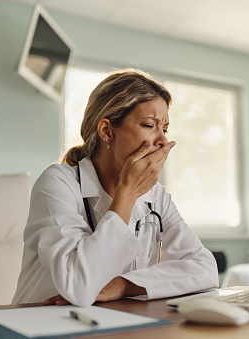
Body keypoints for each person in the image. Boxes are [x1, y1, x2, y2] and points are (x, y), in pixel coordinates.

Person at [12, 68, 219, 307]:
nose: (162, 140)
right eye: (150, 125)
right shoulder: (58, 183)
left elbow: (205, 269)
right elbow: (79, 286)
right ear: (107, 131)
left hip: (110, 322)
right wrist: (128, 192)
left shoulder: (156, 197)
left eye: (165, 129)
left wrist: (124, 284)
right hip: (40, 324)